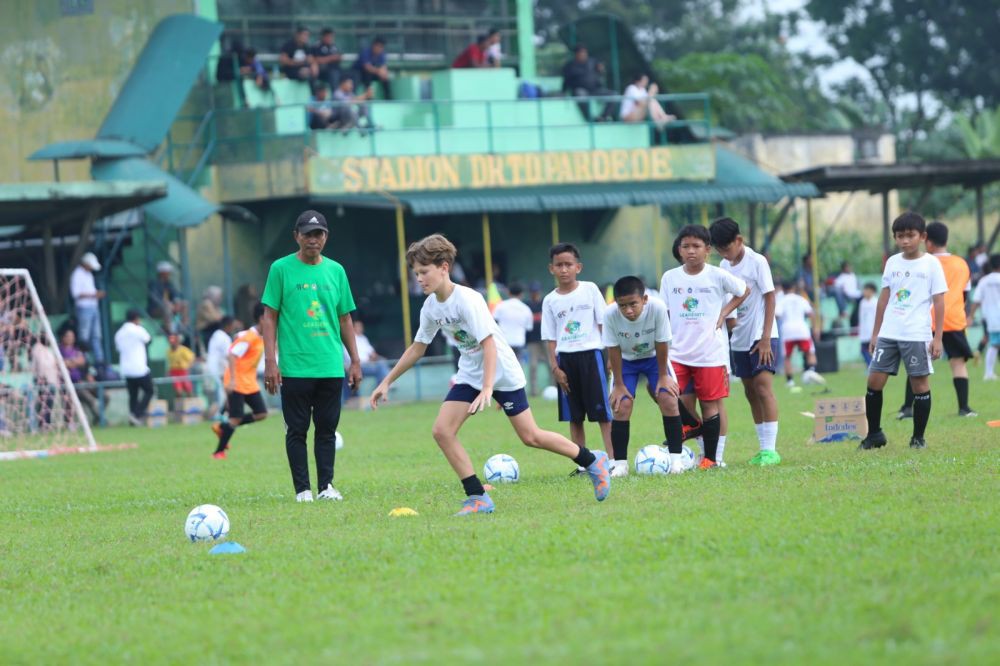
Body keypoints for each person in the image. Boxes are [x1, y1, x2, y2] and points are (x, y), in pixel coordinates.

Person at [369, 234, 610, 515]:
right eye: (416, 273)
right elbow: (418, 348)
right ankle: (478, 497)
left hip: (503, 372)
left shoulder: (468, 300)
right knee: (442, 431)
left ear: (444, 267)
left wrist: (488, 388)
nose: (419, 279)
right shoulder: (431, 307)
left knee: (530, 436)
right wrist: (386, 381)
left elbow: (489, 344)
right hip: (471, 373)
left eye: (424, 272)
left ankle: (593, 461)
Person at [261, 210, 362, 503]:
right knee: (297, 430)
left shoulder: (336, 271)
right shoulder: (280, 269)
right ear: (296, 236)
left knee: (327, 429)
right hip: (295, 366)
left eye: (318, 234)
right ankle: (303, 490)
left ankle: (326, 487)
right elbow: (270, 317)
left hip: (330, 365)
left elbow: (345, 318)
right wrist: (271, 361)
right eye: (307, 234)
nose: (312, 239)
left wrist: (354, 360)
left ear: (326, 237)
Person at [659, 225, 748, 468]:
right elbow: (664, 312)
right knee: (666, 394)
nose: (690, 251)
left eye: (696, 246)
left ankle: (712, 458)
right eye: (685, 246)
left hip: (710, 353)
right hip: (677, 352)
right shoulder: (670, 277)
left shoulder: (717, 275)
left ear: (707, 250)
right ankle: (695, 437)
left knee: (710, 404)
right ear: (679, 249)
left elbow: (744, 290)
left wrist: (725, 313)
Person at [860, 212, 947, 451]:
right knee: (874, 382)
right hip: (889, 332)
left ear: (922, 237)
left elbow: (939, 302)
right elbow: (883, 299)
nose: (905, 241)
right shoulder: (892, 262)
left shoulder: (931, 264)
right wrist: (875, 333)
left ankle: (918, 437)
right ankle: (875, 434)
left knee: (919, 384)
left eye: (910, 236)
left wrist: (937, 337)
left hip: (916, 334)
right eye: (900, 236)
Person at [710, 217, 782, 466]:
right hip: (739, 338)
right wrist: (731, 328)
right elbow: (728, 301)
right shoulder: (723, 265)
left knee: (763, 387)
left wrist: (765, 337)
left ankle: (771, 450)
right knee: (750, 391)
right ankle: (762, 450)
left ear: (739, 240)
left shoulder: (757, 261)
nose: (724, 254)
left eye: (727, 248)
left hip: (762, 335)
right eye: (720, 250)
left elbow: (770, 298)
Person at [604, 275, 684, 476]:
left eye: (633, 304)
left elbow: (662, 342)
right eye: (623, 306)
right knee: (621, 406)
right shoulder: (610, 314)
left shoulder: (657, 308)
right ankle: (620, 465)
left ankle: (676, 460)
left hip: (654, 357)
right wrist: (619, 385)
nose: (628, 310)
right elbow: (613, 349)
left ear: (644, 300)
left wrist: (664, 377)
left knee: (668, 399)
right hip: (626, 361)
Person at [896, 221, 977, 419]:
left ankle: (907, 408)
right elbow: (965, 294)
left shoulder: (924, 262)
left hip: (925, 320)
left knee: (916, 365)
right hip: (954, 320)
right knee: (958, 363)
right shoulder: (961, 264)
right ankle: (964, 408)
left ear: (928, 242)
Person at [542, 243, 614, 465]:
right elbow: (550, 338)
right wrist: (555, 368)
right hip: (565, 360)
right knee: (574, 417)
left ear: (578, 267)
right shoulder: (550, 300)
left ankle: (613, 460)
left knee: (603, 414)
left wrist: (611, 357)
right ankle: (585, 463)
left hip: (592, 356)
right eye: (559, 265)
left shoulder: (590, 289)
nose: (564, 269)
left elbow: (604, 324)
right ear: (551, 269)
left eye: (568, 264)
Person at [212, 303, 268, 459]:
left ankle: (222, 427)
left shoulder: (256, 335)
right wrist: (232, 381)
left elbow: (240, 337)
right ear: (262, 319)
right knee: (235, 418)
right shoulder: (250, 337)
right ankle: (218, 452)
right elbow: (231, 354)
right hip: (236, 381)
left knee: (262, 413)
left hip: (249, 382)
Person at [777, 281, 825, 388]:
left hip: (788, 330)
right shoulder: (801, 299)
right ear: (793, 288)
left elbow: (777, 315)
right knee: (809, 352)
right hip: (802, 329)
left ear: (783, 289)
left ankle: (790, 382)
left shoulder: (781, 300)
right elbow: (811, 313)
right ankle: (811, 371)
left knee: (787, 357)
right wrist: (816, 328)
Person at [114, 309, 154, 427]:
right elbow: (149, 339)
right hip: (139, 367)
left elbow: (118, 349)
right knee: (149, 390)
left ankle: (133, 416)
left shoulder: (119, 333)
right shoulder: (138, 330)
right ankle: (137, 414)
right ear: (136, 318)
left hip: (126, 369)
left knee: (133, 394)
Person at [561, 45, 616, 122]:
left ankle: (603, 117)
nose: (583, 54)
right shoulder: (570, 66)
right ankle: (590, 119)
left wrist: (601, 69)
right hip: (580, 90)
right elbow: (566, 80)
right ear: (576, 54)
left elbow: (600, 71)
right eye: (581, 53)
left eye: (584, 52)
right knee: (581, 96)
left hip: (595, 89)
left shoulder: (592, 62)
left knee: (613, 95)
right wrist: (563, 92)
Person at [70, 251, 106, 367]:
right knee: (84, 336)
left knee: (96, 335)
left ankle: (99, 359)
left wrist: (96, 294)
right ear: (86, 263)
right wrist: (94, 295)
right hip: (84, 308)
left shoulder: (89, 274)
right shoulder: (77, 274)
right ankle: (84, 359)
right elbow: (76, 294)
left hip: (93, 306)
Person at [970, 254, 1000, 380]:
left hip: (991, 318)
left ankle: (989, 373)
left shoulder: (984, 281)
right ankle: (988, 374)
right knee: (994, 345)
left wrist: (970, 316)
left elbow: (976, 300)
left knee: (993, 344)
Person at [59, 329, 99, 423]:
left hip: (78, 382)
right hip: (65, 383)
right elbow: (60, 363)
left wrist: (70, 362)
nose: (70, 339)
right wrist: (73, 362)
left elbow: (82, 361)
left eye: (72, 337)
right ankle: (69, 423)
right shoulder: (59, 350)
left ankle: (98, 419)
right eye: (68, 336)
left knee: (102, 396)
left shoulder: (76, 350)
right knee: (68, 404)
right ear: (63, 338)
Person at [205, 316, 240, 420]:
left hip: (210, 368)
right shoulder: (225, 338)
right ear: (228, 325)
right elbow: (229, 356)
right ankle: (221, 415)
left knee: (216, 396)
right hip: (218, 370)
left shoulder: (216, 334)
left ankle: (220, 414)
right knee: (224, 394)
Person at [492, 283, 533, 363]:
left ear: (508, 293)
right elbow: (529, 328)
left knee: (504, 366)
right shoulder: (526, 309)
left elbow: (493, 322)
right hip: (519, 342)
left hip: (504, 342)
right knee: (518, 368)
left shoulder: (500, 306)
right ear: (521, 294)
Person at [147, 261, 186, 333]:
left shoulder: (168, 283)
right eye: (168, 272)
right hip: (155, 310)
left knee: (184, 304)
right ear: (162, 273)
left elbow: (175, 294)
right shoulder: (153, 283)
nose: (169, 274)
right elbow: (154, 298)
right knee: (167, 305)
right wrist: (166, 303)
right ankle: (168, 329)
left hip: (169, 307)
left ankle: (183, 327)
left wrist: (176, 302)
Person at [524, 281, 546, 396]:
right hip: (532, 339)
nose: (535, 293)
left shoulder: (544, 302)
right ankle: (533, 391)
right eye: (533, 291)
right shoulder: (527, 304)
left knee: (552, 364)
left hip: (546, 338)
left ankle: (554, 388)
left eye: (536, 291)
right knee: (533, 365)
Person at [832, 261, 862, 329]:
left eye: (850, 266)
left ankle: (856, 320)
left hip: (857, 295)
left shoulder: (853, 275)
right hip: (848, 295)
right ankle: (843, 311)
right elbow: (836, 287)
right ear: (844, 268)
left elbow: (859, 286)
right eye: (847, 267)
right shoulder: (841, 277)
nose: (849, 268)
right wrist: (843, 291)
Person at [857, 282, 879, 365]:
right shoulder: (862, 302)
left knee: (873, 350)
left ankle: (872, 366)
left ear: (872, 291)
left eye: (866, 290)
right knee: (863, 350)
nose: (864, 292)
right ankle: (870, 366)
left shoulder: (876, 302)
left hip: (873, 330)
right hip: (864, 330)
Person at [166, 333, 195, 398]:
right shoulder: (168, 351)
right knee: (178, 391)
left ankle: (191, 403)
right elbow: (170, 363)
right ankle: (179, 406)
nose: (172, 343)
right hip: (174, 372)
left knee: (188, 389)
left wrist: (188, 367)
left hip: (183, 371)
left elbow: (191, 358)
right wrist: (169, 371)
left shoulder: (183, 350)